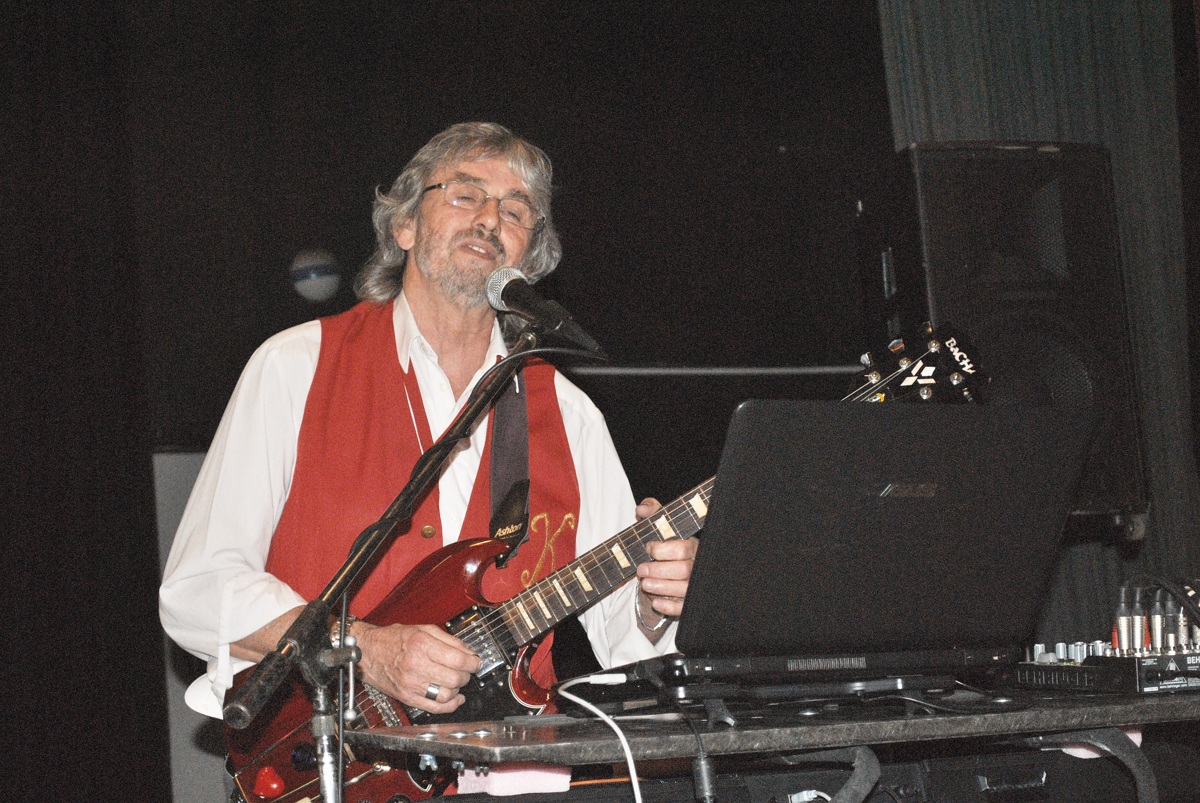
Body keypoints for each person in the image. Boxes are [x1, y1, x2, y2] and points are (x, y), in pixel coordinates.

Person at [159, 122, 697, 729]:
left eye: (516, 211)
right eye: (465, 196)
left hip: (515, 765)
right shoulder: (296, 366)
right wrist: (363, 649)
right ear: (405, 225)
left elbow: (627, 636)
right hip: (326, 757)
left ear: (529, 259)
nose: (490, 220)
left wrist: (656, 599)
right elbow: (200, 589)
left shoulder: (571, 417)